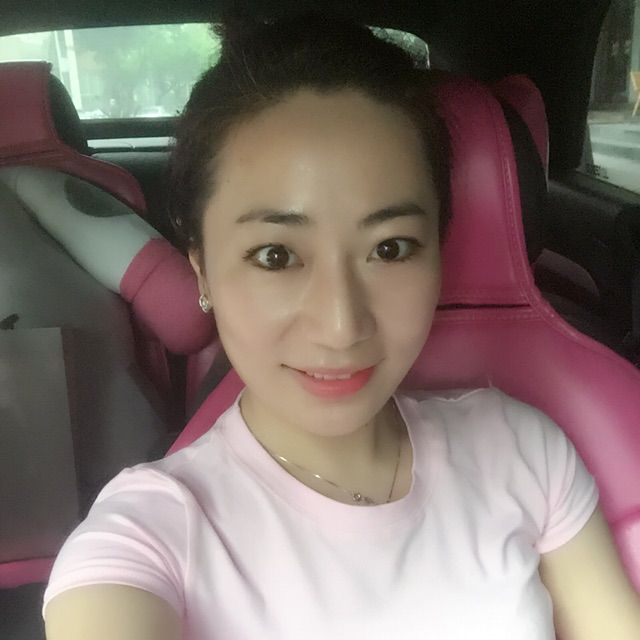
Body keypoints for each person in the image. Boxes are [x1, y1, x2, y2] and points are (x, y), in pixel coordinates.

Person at [43, 12, 640, 640]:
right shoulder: (149, 534)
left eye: (390, 249)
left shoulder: (522, 451)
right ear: (203, 271)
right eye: (276, 255)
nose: (341, 325)